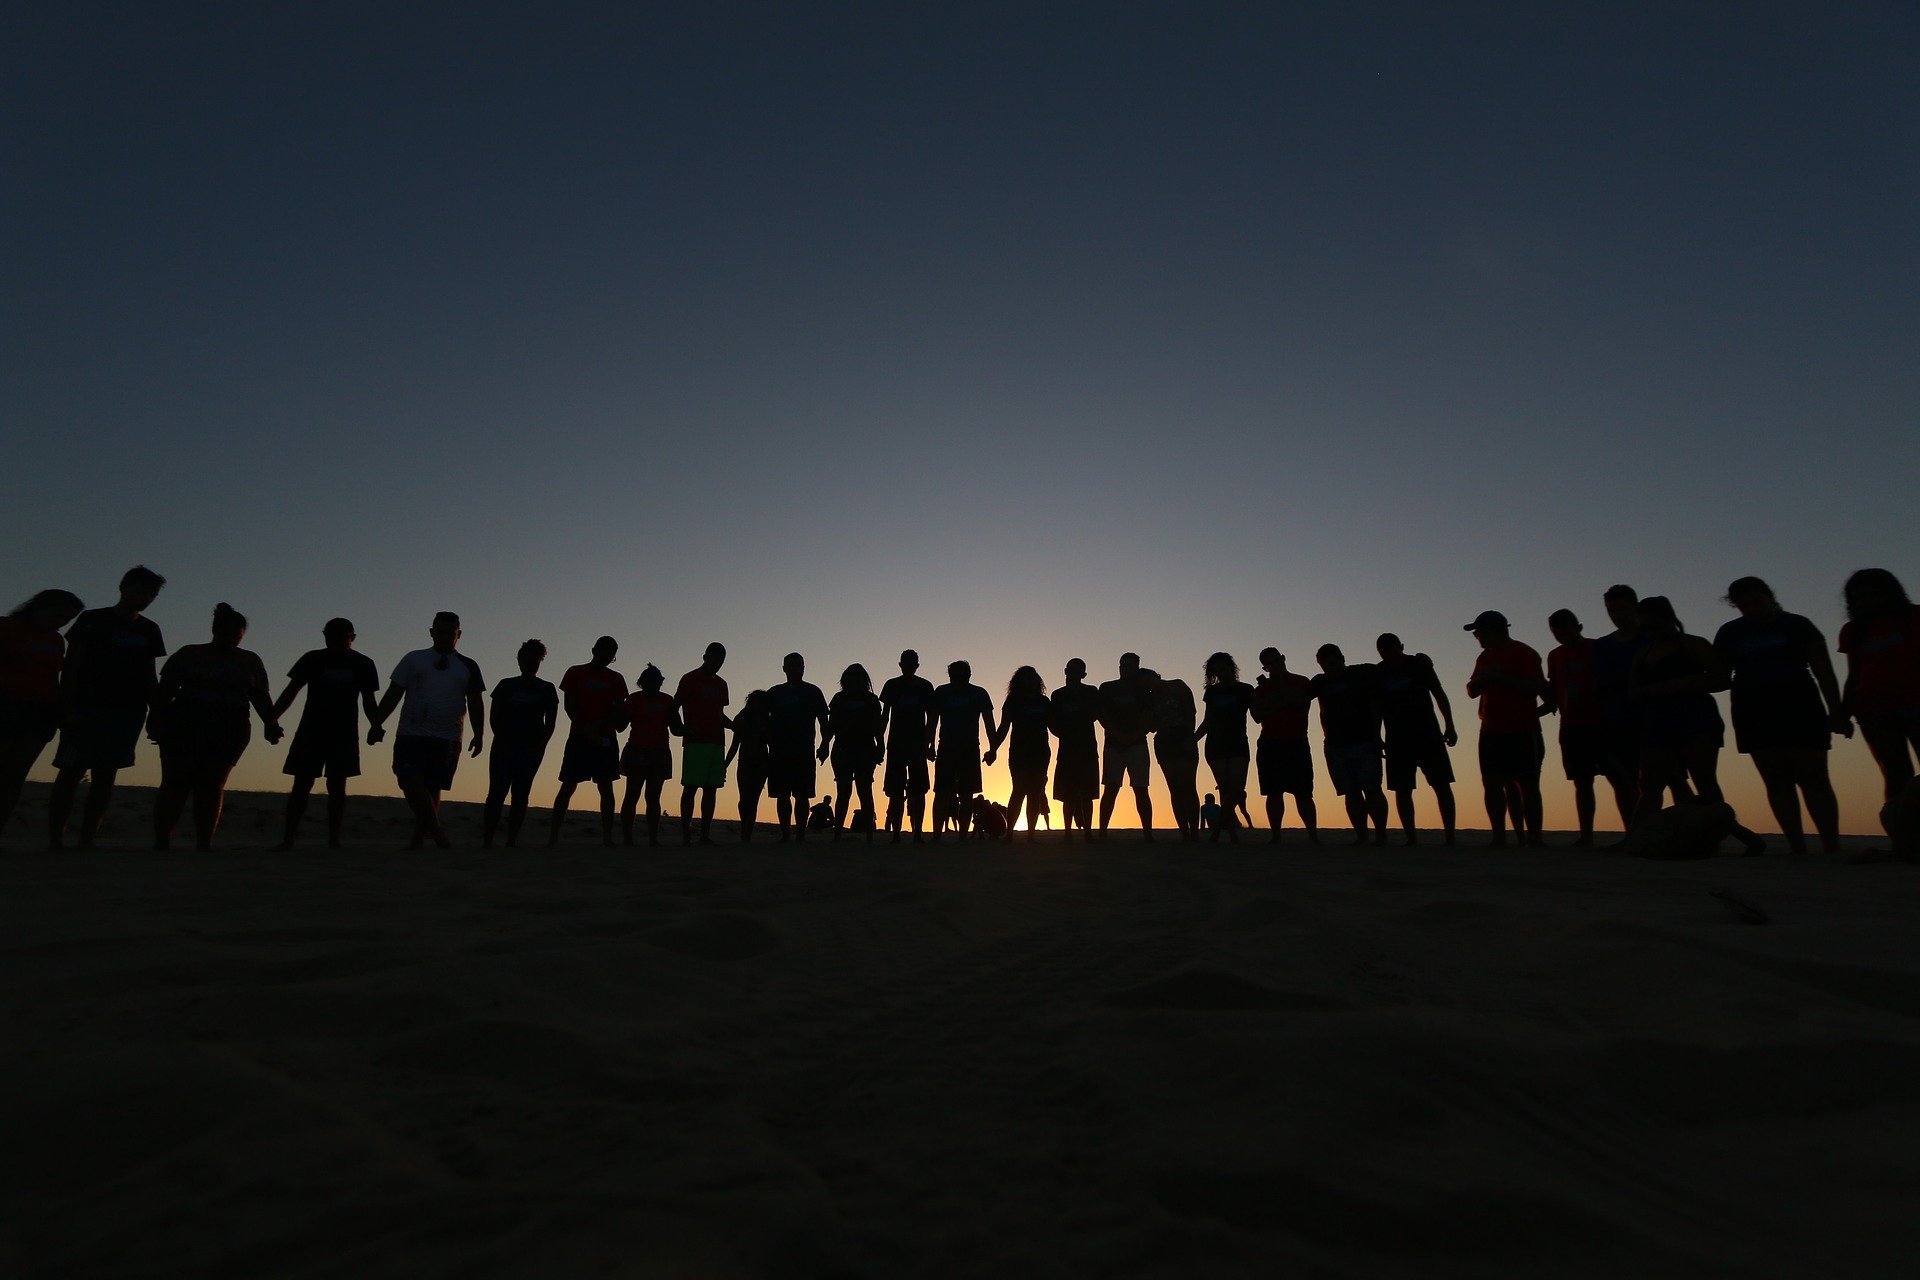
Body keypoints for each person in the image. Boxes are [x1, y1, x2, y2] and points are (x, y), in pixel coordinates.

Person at [1713, 577, 1846, 857]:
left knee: (1814, 778)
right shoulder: (1729, 633)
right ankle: (1797, 846)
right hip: (1753, 709)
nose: (1751, 608)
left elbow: (1824, 670)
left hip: (1801, 704)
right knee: (1775, 779)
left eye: (1756, 601)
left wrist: (1836, 711)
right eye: (1743, 604)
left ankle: (1831, 845)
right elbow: (1720, 676)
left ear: (1769, 596)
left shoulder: (1798, 625)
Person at [1630, 595, 1764, 856]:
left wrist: (1682, 685)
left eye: (1654, 626)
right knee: (1650, 785)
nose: (1650, 632)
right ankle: (1636, 840)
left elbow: (1722, 679)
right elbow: (1633, 691)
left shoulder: (1694, 645)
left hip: (1695, 718)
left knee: (1704, 783)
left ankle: (1719, 838)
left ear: (1669, 620)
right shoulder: (1643, 652)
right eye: (1644, 627)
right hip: (1657, 721)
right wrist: (1656, 691)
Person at [48, 565, 166, 848]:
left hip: (127, 711)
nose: (145, 597)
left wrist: (157, 713)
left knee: (105, 775)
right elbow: (72, 666)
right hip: (86, 706)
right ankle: (56, 838)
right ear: (124, 587)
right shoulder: (93, 619)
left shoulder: (149, 629)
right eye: (140, 590)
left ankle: (87, 838)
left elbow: (149, 675)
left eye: (151, 594)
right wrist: (66, 706)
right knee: (70, 771)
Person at [151, 603, 283, 850]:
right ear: (214, 630)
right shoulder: (188, 654)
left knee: (212, 784)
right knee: (175, 782)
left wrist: (271, 723)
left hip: (229, 726)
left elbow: (260, 696)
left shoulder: (250, 661)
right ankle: (162, 840)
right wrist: (155, 719)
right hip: (185, 722)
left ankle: (204, 842)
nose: (231, 639)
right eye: (227, 633)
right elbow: (164, 691)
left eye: (237, 636)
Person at [370, 611, 485, 849]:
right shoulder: (414, 659)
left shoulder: (468, 665)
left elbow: (475, 702)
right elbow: (394, 693)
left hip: (448, 735)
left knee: (433, 787)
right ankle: (438, 833)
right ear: (431, 632)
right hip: (411, 733)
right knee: (408, 779)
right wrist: (377, 722)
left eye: (450, 633)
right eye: (440, 632)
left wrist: (479, 734)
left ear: (458, 635)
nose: (444, 637)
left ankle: (418, 840)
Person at [270, 617, 381, 850]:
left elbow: (369, 700)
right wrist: (271, 718)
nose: (338, 643)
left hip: (344, 731)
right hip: (311, 728)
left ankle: (333, 839)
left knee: (337, 785)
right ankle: (289, 837)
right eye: (332, 638)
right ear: (325, 637)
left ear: (352, 638)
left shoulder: (363, 663)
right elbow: (291, 691)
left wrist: (376, 725)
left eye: (343, 638)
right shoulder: (313, 659)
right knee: (301, 783)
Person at [1838, 568, 1920, 840]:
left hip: (1916, 703)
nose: (1866, 602)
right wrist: (1843, 713)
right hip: (1873, 710)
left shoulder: (1914, 618)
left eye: (1873, 595)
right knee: (1895, 773)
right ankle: (1903, 836)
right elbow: (1854, 674)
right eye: (1858, 598)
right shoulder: (1854, 631)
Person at [0, 589, 86, 842]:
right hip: (6, 704)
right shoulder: (7, 627)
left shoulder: (56, 641)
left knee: (15, 775)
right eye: (58, 614)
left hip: (41, 710)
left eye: (67, 619)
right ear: (40, 606)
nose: (60, 622)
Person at [1463, 611, 1548, 849]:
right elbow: (1471, 690)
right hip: (1491, 729)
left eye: (1478, 633)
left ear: (1492, 632)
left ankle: (1534, 838)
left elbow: (1535, 688)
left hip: (1522, 729)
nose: (1477, 638)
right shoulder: (1484, 657)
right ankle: (1499, 836)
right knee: (1492, 783)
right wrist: (1480, 681)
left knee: (1527, 785)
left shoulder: (1524, 653)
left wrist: (1502, 679)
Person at [1542, 610, 1624, 847]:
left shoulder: (1598, 648)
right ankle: (1586, 835)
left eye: (1565, 629)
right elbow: (1554, 691)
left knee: (1618, 778)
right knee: (1582, 781)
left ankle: (1632, 829)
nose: (1561, 635)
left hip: (1602, 723)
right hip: (1572, 726)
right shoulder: (1555, 656)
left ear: (1578, 626)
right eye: (1556, 631)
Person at [1372, 635, 1457, 845]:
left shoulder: (1418, 665)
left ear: (1400, 647)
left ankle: (1450, 836)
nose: (1388, 653)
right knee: (1402, 789)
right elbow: (1376, 708)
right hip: (1397, 738)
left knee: (1441, 784)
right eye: (1383, 650)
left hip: (1427, 733)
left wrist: (1450, 725)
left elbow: (1439, 694)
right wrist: (1377, 735)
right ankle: (1411, 838)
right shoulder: (1379, 673)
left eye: (1391, 649)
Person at [549, 637, 628, 847]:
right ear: (594, 650)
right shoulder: (575, 672)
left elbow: (619, 709)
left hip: (606, 739)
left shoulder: (617, 679)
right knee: (568, 785)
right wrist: (587, 729)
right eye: (604, 652)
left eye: (611, 654)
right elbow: (570, 706)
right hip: (579, 737)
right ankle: (554, 836)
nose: (606, 657)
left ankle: (607, 838)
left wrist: (600, 725)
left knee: (606, 787)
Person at [483, 640, 558, 848]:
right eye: (526, 660)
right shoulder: (506, 685)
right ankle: (488, 840)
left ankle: (511, 841)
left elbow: (550, 723)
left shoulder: (547, 688)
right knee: (496, 792)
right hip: (504, 746)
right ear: (519, 660)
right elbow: (494, 717)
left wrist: (540, 746)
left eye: (535, 660)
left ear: (540, 662)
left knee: (521, 794)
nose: (530, 664)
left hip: (531, 748)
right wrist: (502, 739)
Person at [1309, 644, 1387, 844]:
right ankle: (1362, 836)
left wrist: (1419, 659)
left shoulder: (1360, 672)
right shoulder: (1320, 682)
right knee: (1350, 792)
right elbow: (1299, 695)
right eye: (1324, 664)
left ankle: (1380, 835)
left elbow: (1386, 668)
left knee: (1372, 789)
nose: (1329, 668)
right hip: (1335, 745)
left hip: (1364, 741)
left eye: (1332, 662)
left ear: (1341, 658)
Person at [1588, 584, 1646, 827]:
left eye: (1621, 609)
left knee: (1670, 778)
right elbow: (1601, 682)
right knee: (1621, 779)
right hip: (1617, 718)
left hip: (1654, 717)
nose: (1616, 615)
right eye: (1611, 610)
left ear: (1635, 607)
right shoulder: (1603, 646)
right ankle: (1633, 832)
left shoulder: (1651, 638)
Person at [1251, 648, 1317, 845]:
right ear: (1265, 666)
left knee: (1303, 792)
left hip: (1296, 741)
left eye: (1276, 661)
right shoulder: (1261, 689)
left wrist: (1274, 696)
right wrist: (1279, 700)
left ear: (1283, 658)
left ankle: (1313, 835)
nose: (1274, 666)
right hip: (1270, 742)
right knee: (1273, 792)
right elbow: (1257, 715)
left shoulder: (1301, 681)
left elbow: (1300, 703)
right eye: (1269, 664)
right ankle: (1276, 835)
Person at [928, 659, 997, 841]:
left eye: (961, 674)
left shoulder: (979, 693)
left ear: (968, 675)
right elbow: (932, 722)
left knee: (966, 793)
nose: (958, 678)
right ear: (950, 676)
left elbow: (989, 723)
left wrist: (993, 748)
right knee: (943, 791)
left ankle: (961, 836)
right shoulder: (941, 692)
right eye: (955, 675)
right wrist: (929, 745)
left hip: (969, 748)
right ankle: (937, 835)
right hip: (948, 747)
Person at [765, 653, 830, 843]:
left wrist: (825, 744)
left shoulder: (813, 691)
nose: (795, 668)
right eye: (791, 665)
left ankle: (800, 835)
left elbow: (823, 721)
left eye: (799, 665)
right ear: (784, 668)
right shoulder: (774, 693)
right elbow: (762, 718)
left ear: (804, 667)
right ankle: (785, 835)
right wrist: (769, 741)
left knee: (802, 795)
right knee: (782, 795)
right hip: (779, 751)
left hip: (804, 751)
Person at [673, 642, 731, 846]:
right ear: (705, 656)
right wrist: (680, 728)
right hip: (696, 742)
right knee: (690, 787)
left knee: (711, 789)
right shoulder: (689, 679)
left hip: (717, 741)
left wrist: (734, 726)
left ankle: (704, 834)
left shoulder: (721, 683)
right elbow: (675, 706)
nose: (717, 664)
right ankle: (686, 834)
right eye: (714, 659)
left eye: (721, 661)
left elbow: (720, 713)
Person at [1194, 651, 1255, 843]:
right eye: (1217, 670)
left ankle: (1217, 830)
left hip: (1238, 743)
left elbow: (1257, 714)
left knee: (1237, 788)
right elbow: (1208, 721)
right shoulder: (1212, 692)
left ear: (1232, 667)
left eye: (1224, 668)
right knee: (1224, 789)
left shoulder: (1245, 689)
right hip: (1215, 744)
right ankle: (1232, 833)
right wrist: (1192, 740)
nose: (1221, 673)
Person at [617, 664, 680, 847]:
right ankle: (628, 838)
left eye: (656, 683)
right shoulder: (633, 700)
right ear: (642, 683)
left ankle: (653, 838)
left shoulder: (667, 701)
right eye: (650, 683)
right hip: (637, 750)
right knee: (632, 795)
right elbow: (620, 725)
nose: (653, 686)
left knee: (653, 797)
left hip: (658, 752)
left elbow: (676, 728)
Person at [987, 664, 1052, 841]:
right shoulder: (1013, 700)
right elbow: (1004, 726)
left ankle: (1031, 834)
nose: (1029, 681)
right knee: (1019, 790)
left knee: (1035, 792)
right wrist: (993, 749)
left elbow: (1054, 725)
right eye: (1026, 678)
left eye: (1032, 678)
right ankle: (1009, 833)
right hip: (1019, 751)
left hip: (1040, 751)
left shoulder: (1043, 701)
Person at [820, 663, 883, 841]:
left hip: (864, 748)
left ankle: (869, 835)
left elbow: (877, 726)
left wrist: (881, 745)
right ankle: (838, 833)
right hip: (843, 748)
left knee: (864, 791)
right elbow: (831, 726)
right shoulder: (839, 699)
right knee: (844, 791)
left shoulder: (871, 700)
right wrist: (824, 744)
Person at [879, 650, 936, 843]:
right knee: (895, 792)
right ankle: (896, 833)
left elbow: (932, 718)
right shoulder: (892, 685)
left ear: (917, 665)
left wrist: (929, 743)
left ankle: (917, 833)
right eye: (906, 663)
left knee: (919, 791)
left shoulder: (926, 686)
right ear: (901, 664)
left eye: (912, 663)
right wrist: (880, 742)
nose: (909, 666)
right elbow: (884, 716)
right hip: (896, 744)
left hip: (917, 745)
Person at [1096, 653, 1155, 838]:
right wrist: (1119, 736)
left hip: (1137, 744)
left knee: (1141, 789)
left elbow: (1148, 717)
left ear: (1137, 668)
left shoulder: (1144, 691)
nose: (1125, 668)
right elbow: (1102, 715)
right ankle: (1103, 832)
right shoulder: (1107, 688)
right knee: (1111, 789)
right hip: (1114, 745)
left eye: (1130, 665)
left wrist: (1132, 737)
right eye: (1123, 665)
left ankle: (1147, 833)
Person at [1144, 666, 1201, 840]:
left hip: (1182, 736)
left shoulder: (1177, 685)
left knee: (1189, 786)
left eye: (1148, 680)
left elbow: (1190, 712)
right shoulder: (1149, 698)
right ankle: (1184, 832)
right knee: (1174, 788)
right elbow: (1151, 725)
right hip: (1164, 741)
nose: (1148, 684)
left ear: (1155, 675)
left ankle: (1194, 832)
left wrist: (1189, 738)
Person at [1049, 658, 1100, 839]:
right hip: (1067, 749)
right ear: (1065, 671)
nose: (1073, 673)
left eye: (1078, 671)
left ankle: (1087, 832)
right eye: (1071, 670)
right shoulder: (1057, 695)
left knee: (1087, 794)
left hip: (1086, 748)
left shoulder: (1091, 691)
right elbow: (1052, 721)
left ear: (1083, 674)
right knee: (1067, 794)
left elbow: (1095, 714)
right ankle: (1068, 832)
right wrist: (1063, 735)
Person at [723, 689, 772, 842]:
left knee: (753, 799)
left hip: (761, 763)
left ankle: (747, 833)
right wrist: (725, 765)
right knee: (745, 799)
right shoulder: (743, 718)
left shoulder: (767, 720)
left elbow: (772, 743)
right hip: (745, 762)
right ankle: (745, 829)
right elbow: (734, 744)